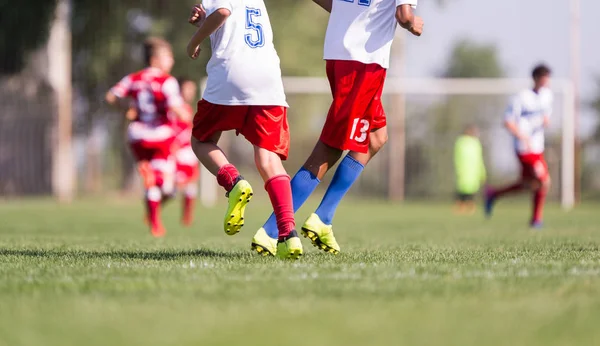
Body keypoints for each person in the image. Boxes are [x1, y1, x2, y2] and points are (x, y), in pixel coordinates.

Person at [253, 0, 424, 255]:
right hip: (364, 63)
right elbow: (404, 14)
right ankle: (271, 230)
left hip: (338, 55)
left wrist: (350, 13)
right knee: (330, 148)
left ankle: (323, 217)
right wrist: (414, 24)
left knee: (375, 138)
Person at [187, 1, 302, 259]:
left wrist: (194, 41)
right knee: (268, 160)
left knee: (201, 141)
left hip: (232, 73)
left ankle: (233, 182)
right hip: (268, 77)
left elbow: (223, 12)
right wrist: (204, 17)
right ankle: (288, 235)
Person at [106, 37, 191, 237]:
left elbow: (111, 97)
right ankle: (154, 181)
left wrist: (127, 107)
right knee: (169, 188)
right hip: (160, 136)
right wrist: (187, 115)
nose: (171, 61)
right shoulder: (167, 81)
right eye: (168, 57)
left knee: (153, 186)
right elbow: (177, 109)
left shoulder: (133, 78)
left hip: (137, 136)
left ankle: (154, 222)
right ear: (155, 60)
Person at [485, 64, 553, 228]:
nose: (546, 83)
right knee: (544, 181)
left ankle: (493, 194)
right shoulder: (521, 97)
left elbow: (545, 118)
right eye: (544, 79)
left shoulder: (547, 96)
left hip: (538, 147)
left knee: (529, 184)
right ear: (536, 78)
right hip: (524, 148)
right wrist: (523, 136)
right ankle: (536, 220)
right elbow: (508, 122)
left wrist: (545, 122)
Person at [172, 78, 201, 226]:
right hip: (177, 153)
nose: (191, 92)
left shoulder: (188, 108)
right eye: (187, 89)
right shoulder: (174, 109)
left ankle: (187, 218)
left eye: (192, 90)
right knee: (173, 189)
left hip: (188, 152)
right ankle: (153, 209)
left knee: (191, 186)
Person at [454, 125, 486, 214]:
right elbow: (457, 157)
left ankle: (471, 206)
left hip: (474, 170)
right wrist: (459, 168)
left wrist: (482, 172)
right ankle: (461, 206)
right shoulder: (461, 142)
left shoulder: (476, 143)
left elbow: (479, 158)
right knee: (463, 189)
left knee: (472, 189)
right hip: (464, 169)